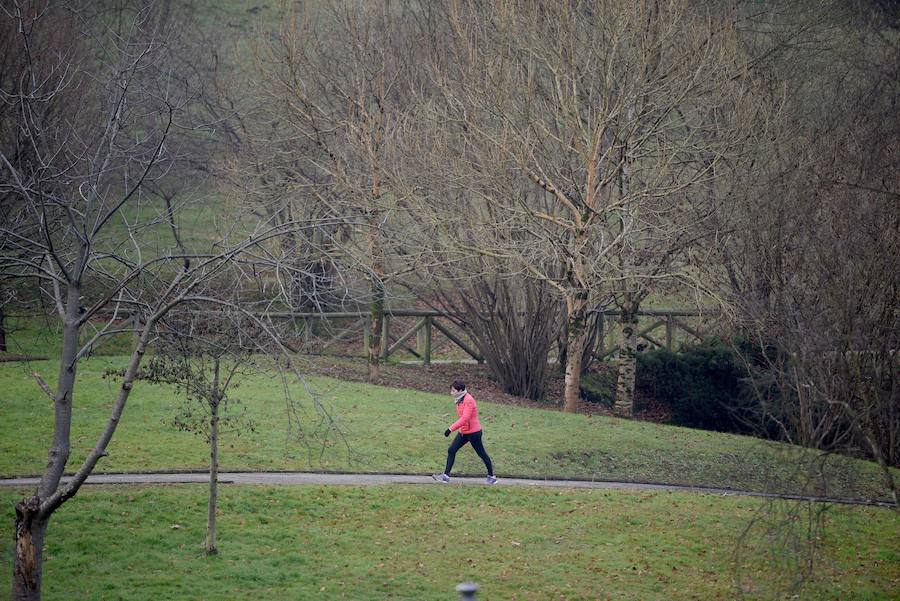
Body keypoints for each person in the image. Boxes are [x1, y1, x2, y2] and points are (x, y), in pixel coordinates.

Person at [432, 379, 497, 485]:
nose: (451, 393)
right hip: (464, 432)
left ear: (460, 390)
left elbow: (465, 418)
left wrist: (450, 429)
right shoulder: (459, 399)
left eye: (453, 391)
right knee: (451, 450)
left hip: (474, 433)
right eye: (451, 390)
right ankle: (445, 476)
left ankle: (491, 477)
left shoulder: (468, 400)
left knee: (482, 454)